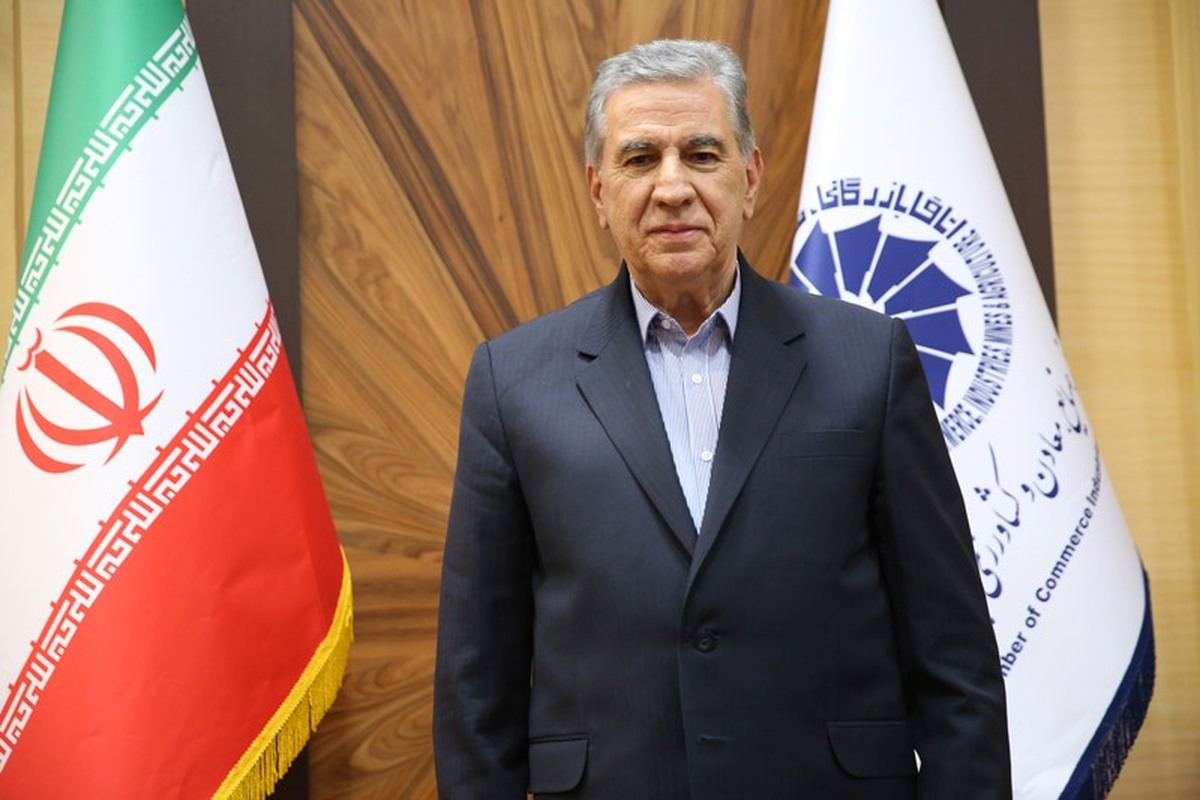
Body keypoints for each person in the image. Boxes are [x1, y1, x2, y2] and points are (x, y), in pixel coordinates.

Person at [433, 38, 1011, 799]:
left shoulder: (869, 362)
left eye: (702, 154)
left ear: (751, 177)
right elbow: (477, 686)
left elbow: (955, 660)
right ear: (599, 190)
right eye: (640, 158)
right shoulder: (513, 381)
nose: (673, 187)